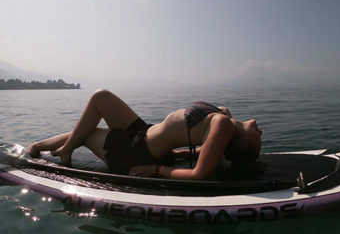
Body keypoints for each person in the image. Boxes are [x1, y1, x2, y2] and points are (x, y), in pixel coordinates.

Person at [28, 89, 262, 180]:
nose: (261, 131)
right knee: (100, 99)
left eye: (258, 140)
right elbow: (210, 150)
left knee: (89, 132)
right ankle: (49, 147)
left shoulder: (224, 125)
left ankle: (55, 149)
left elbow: (199, 173)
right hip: (142, 130)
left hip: (137, 152)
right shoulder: (224, 116)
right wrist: (179, 154)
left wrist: (157, 170)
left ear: (244, 144)